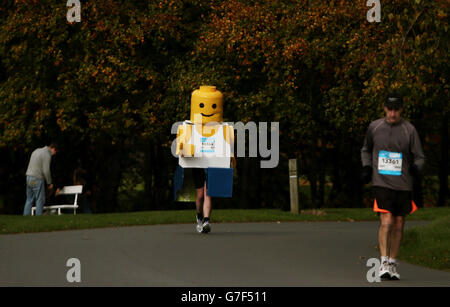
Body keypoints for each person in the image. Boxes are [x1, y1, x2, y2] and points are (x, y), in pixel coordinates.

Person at [361, 92, 425, 280]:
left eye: (396, 110)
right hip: (381, 182)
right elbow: (365, 149)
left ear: (401, 109)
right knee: (386, 220)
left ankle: (393, 264)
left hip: (403, 184)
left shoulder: (409, 130)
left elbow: (420, 156)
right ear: (384, 109)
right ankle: (383, 262)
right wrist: (366, 167)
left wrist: (416, 167)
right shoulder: (375, 127)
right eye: (390, 109)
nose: (392, 114)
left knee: (398, 224)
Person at [23, 143, 59, 216]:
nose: (54, 154)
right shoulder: (47, 154)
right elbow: (46, 170)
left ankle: (26, 216)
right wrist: (49, 183)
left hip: (29, 177)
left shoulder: (36, 151)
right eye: (55, 152)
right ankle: (39, 217)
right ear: (53, 149)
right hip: (37, 178)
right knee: (40, 199)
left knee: (29, 198)